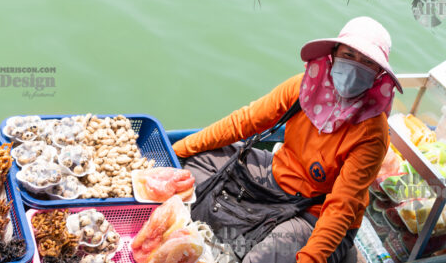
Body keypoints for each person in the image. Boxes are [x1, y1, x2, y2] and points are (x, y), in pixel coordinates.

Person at [173, 16, 403, 263]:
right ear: (333, 54)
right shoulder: (304, 86)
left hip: (314, 211)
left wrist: (310, 258)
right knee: (195, 163)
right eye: (348, 55)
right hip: (275, 175)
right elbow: (244, 122)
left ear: (378, 74)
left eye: (367, 62)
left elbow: (341, 206)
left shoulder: (372, 132)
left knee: (264, 257)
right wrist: (178, 150)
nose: (354, 66)